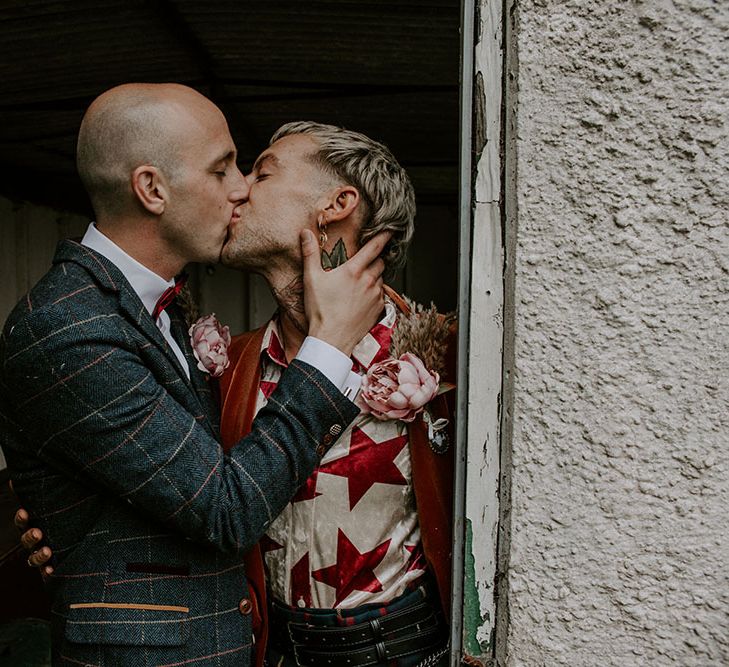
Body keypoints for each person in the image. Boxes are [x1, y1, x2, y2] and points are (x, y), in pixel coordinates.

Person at [20, 121, 457, 666]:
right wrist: (69, 527)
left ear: (336, 205)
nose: (240, 189)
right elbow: (198, 492)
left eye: (262, 171)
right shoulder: (226, 365)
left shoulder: (451, 361)